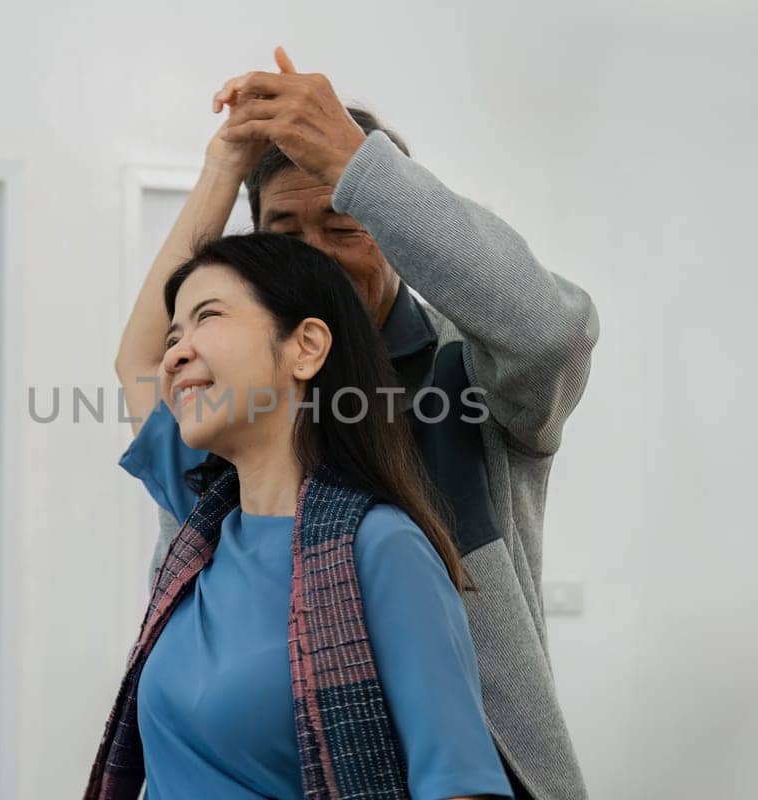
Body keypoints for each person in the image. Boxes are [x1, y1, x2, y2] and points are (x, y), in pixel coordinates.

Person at [111, 48, 597, 800]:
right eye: (286, 233)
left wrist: (355, 162)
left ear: (396, 232)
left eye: (347, 226)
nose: (319, 261)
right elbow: (145, 361)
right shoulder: (230, 440)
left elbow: (552, 334)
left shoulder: (463, 378)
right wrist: (224, 167)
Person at [88, 232, 513, 800]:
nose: (173, 354)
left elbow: (461, 786)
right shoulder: (203, 534)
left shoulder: (381, 547)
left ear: (306, 346)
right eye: (173, 335)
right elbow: (135, 361)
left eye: (206, 316)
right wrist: (224, 162)